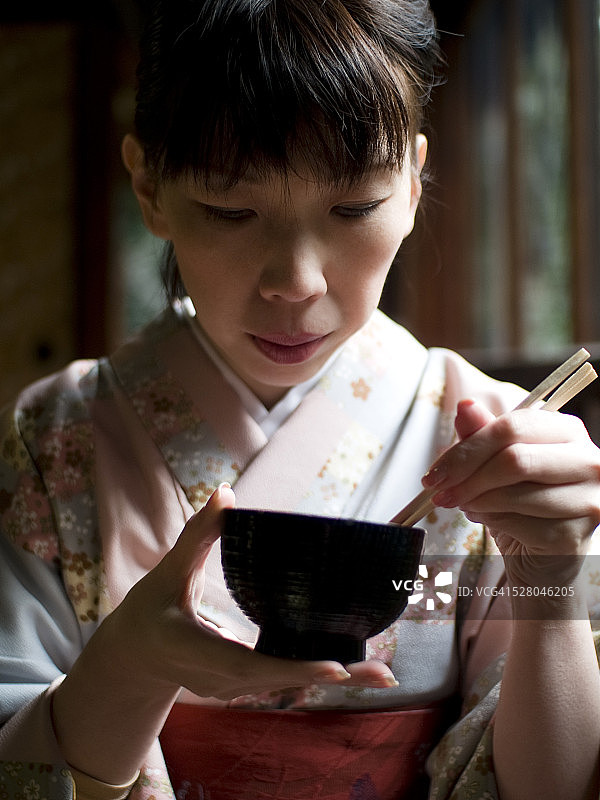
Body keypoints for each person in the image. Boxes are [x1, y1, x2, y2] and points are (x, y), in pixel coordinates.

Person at [1, 0, 599, 798]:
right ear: (149, 185)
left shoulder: (489, 437)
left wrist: (553, 581)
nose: (296, 282)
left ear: (412, 184)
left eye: (353, 209)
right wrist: (129, 666)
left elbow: (551, 787)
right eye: (230, 211)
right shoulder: (58, 439)